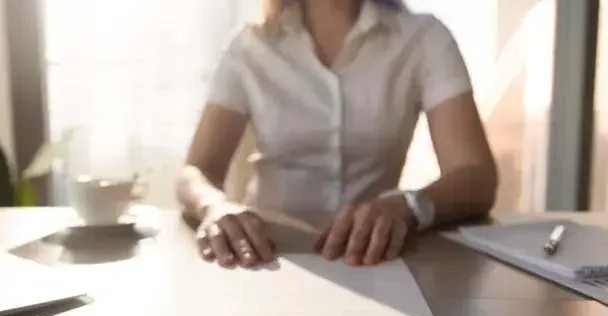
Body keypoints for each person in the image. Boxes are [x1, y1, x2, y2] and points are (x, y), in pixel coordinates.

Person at [175, 0, 498, 268]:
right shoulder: (250, 46)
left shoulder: (424, 39)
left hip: (372, 259)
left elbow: (476, 176)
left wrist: (408, 206)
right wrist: (215, 207)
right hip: (265, 256)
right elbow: (196, 171)